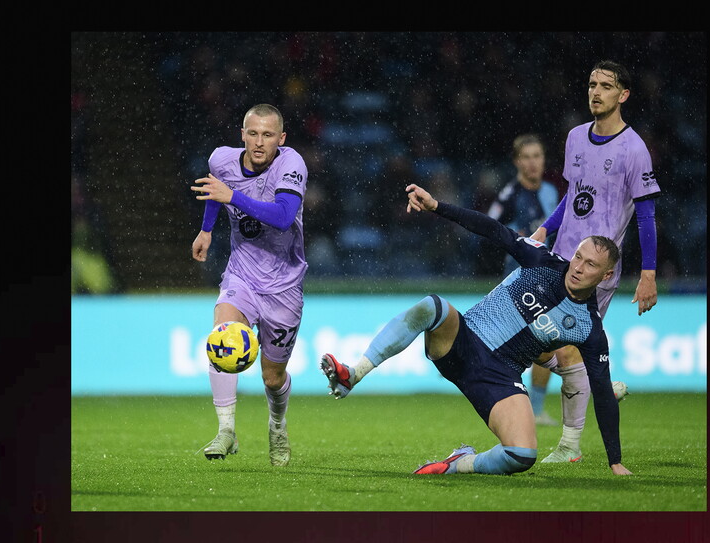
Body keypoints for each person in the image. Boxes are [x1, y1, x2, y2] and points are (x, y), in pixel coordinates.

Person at [320, 184, 632, 476]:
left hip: (499, 377)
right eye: (578, 256)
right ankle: (354, 374)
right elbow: (492, 229)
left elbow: (603, 392)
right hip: (463, 342)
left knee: (522, 455)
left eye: (590, 265)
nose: (577, 267)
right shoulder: (542, 260)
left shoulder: (588, 327)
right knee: (433, 306)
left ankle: (460, 463)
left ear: (606, 276)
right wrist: (436, 206)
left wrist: (614, 460)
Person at [528, 60, 661, 464]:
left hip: (595, 271)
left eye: (606, 86)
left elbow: (646, 216)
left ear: (623, 95)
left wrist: (649, 273)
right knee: (529, 340)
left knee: (563, 346)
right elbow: (573, 195)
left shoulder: (634, 149)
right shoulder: (574, 137)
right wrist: (544, 231)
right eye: (591, 84)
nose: (596, 92)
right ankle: (594, 379)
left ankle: (569, 447)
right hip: (559, 258)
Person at [189, 103, 308, 467]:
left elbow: (284, 217)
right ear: (242, 134)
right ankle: (226, 430)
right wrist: (207, 230)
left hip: (284, 287)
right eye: (252, 133)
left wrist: (233, 197)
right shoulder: (221, 160)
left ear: (281, 138)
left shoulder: (291, 165)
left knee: (273, 378)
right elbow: (215, 191)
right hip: (241, 275)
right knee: (222, 336)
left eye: (267, 135)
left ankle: (277, 425)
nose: (259, 142)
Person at [487, 133, 561, 426]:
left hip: (548, 279)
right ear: (517, 161)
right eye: (527, 157)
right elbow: (488, 230)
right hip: (516, 281)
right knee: (526, 345)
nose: (533, 163)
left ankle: (536, 410)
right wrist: (512, 241)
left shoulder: (552, 192)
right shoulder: (509, 195)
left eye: (538, 156)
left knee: (547, 342)